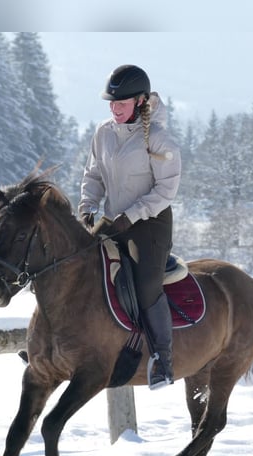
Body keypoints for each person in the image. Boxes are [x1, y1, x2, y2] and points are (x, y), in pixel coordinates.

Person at [79, 64, 182, 390]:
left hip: (150, 224)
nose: (114, 109)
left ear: (140, 101)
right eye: (111, 103)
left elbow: (165, 191)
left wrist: (132, 216)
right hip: (113, 220)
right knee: (77, 266)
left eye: (120, 104)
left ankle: (163, 362)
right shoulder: (103, 133)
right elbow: (93, 175)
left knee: (145, 285)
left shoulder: (160, 141)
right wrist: (87, 207)